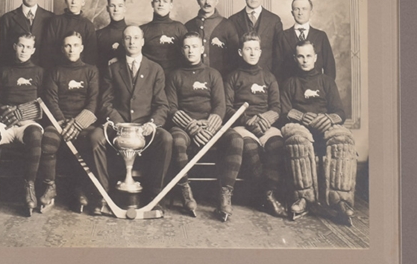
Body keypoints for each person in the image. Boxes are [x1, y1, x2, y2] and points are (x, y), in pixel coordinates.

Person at [90, 25, 173, 214]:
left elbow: (162, 105)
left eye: (136, 38)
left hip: (146, 126)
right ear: (122, 41)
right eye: (128, 38)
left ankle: (155, 196)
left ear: (143, 41)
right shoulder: (113, 69)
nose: (132, 42)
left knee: (167, 139)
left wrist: (152, 124)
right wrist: (119, 123)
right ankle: (103, 195)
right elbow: (105, 103)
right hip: (118, 125)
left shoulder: (155, 69)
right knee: (95, 138)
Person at [280, 40, 357, 224]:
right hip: (301, 130)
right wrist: (300, 117)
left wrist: (329, 119)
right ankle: (303, 197)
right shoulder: (290, 83)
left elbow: (340, 112)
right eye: (300, 56)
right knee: (299, 141)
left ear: (315, 58)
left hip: (323, 129)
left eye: (308, 56)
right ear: (295, 58)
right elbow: (283, 112)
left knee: (342, 140)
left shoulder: (326, 82)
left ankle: (341, 200)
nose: (305, 60)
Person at [0, 34, 44, 216]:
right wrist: (6, 110)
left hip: (27, 123)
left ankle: (29, 186)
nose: (24, 50)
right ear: (15, 46)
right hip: (5, 122)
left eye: (28, 47)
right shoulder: (4, 71)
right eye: (21, 46)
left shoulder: (39, 72)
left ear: (33, 50)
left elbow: (44, 104)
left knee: (36, 136)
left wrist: (24, 112)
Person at [222, 33, 286, 219]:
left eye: (255, 49)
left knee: (277, 145)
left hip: (265, 124)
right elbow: (226, 108)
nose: (252, 53)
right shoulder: (233, 77)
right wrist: (246, 120)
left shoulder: (269, 77)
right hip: (243, 124)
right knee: (249, 147)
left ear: (260, 52)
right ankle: (267, 196)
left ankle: (269, 193)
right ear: (241, 52)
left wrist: (265, 120)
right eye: (248, 49)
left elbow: (276, 107)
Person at [165, 32, 226, 217]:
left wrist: (208, 128)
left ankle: (225, 194)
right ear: (182, 50)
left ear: (202, 49)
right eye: (187, 46)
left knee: (236, 139)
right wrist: (192, 127)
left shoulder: (213, 74)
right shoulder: (174, 75)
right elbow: (172, 108)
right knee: (176, 141)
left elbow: (220, 106)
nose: (191, 50)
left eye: (194, 46)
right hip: (184, 127)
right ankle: (185, 191)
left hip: (209, 126)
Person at [38, 31, 99, 212]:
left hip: (83, 123)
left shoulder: (91, 71)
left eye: (75, 45)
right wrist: (62, 122)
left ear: (81, 48)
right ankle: (50, 187)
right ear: (63, 49)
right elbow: (51, 100)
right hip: (59, 122)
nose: (71, 49)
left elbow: (93, 101)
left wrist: (78, 123)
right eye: (67, 45)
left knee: (87, 142)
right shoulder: (55, 71)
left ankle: (80, 188)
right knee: (48, 141)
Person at [274, 0, 336, 86]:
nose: (300, 13)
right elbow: (277, 68)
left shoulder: (321, 36)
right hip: (290, 90)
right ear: (292, 13)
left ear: (311, 12)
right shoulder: (282, 36)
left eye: (304, 9)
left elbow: (329, 67)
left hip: (316, 88)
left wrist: (326, 88)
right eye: (296, 9)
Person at [228, 0, 283, 74]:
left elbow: (279, 54)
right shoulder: (232, 20)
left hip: (267, 75)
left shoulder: (274, 20)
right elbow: (230, 54)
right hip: (241, 75)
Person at [185, 0, 240, 78]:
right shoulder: (189, 25)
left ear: (216, 1)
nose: (207, 2)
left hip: (222, 79)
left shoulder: (227, 25)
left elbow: (235, 58)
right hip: (193, 78)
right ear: (198, 1)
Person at [0, 0, 53, 67]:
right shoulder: (8, 18)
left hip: (44, 70)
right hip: (15, 69)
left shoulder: (50, 17)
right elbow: (4, 50)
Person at [141, 0, 188, 73]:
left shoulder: (179, 28)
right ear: (152, 4)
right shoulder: (143, 30)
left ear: (171, 5)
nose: (161, 4)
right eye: (157, 1)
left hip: (174, 78)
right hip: (149, 76)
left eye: (165, 1)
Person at [96, 0, 128, 73]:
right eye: (112, 6)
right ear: (107, 8)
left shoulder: (132, 33)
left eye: (120, 6)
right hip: (104, 80)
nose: (116, 9)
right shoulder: (98, 35)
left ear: (125, 8)